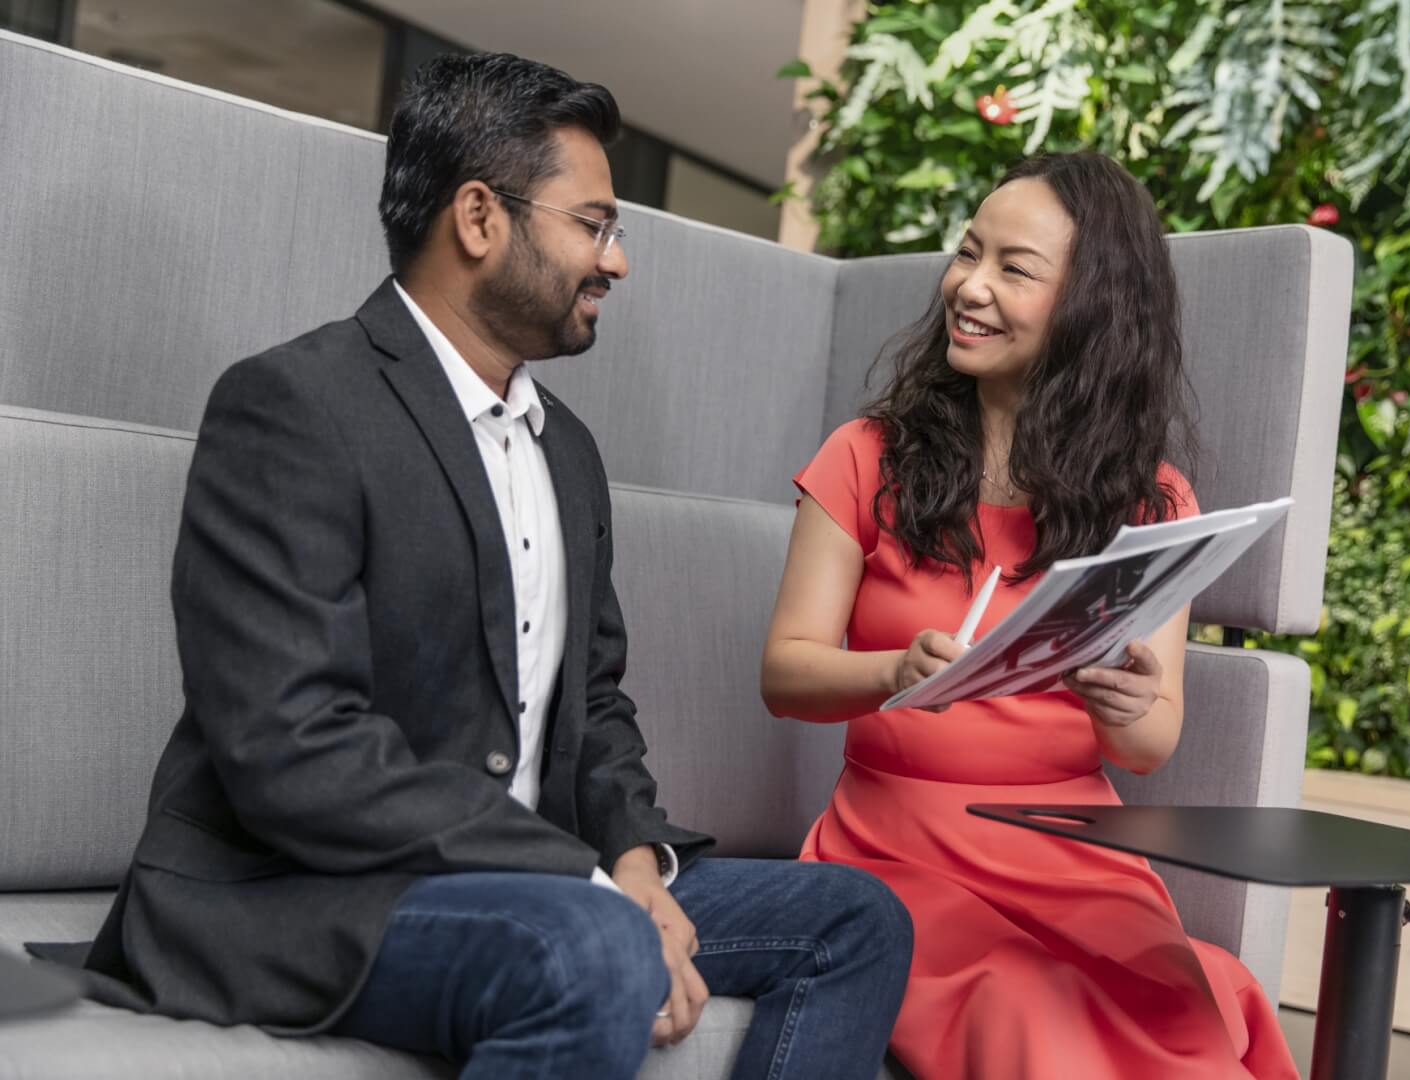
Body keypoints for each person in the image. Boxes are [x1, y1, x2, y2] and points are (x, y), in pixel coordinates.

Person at [69, 53, 911, 1080]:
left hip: (543, 877)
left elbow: (594, 705)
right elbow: (293, 749)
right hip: (301, 887)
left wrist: (637, 861)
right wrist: (589, 885)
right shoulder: (295, 407)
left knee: (859, 920)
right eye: (594, 223)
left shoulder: (569, 453)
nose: (618, 260)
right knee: (589, 947)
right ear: (479, 218)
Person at [760, 151, 1298, 1079]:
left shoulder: (1152, 499)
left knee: (1191, 1010)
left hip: (1072, 851)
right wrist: (893, 672)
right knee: (1025, 1007)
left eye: (1013, 269)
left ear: (1091, 308)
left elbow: (1147, 743)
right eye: (968, 253)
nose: (969, 286)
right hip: (894, 848)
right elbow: (786, 672)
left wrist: (1129, 708)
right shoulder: (865, 456)